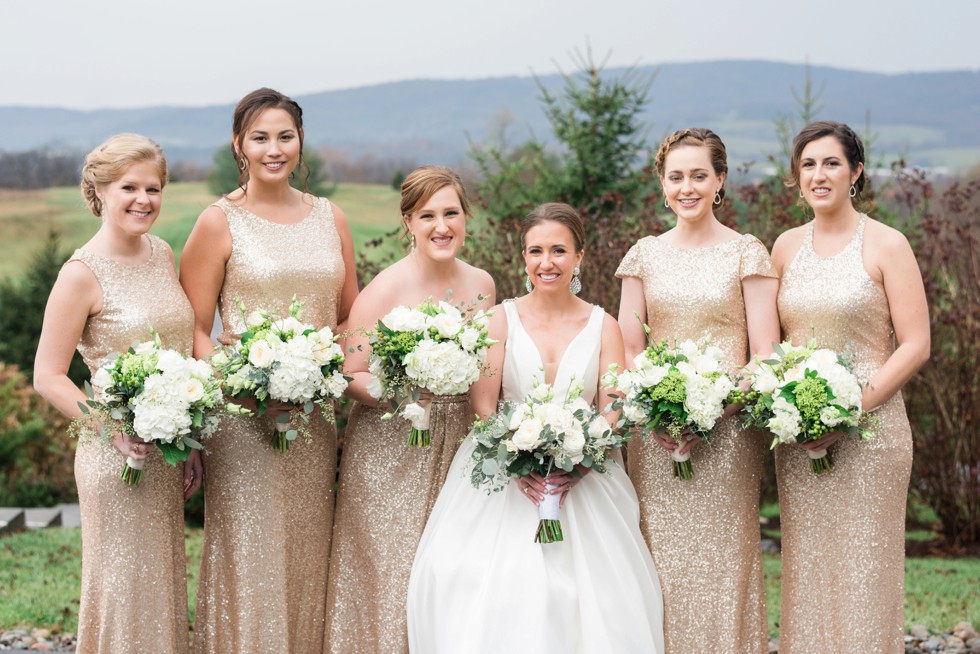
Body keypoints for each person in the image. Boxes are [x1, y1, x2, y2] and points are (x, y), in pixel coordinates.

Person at [408, 202, 664, 653]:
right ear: (523, 257)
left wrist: (578, 463)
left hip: (586, 479)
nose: (547, 263)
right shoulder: (499, 319)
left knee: (597, 601)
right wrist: (518, 461)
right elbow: (484, 406)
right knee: (479, 589)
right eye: (536, 251)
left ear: (579, 257)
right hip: (503, 478)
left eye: (559, 250)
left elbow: (612, 408)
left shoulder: (604, 326)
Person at [178, 88, 358, 654]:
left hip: (313, 418)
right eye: (260, 137)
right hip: (242, 423)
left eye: (285, 136)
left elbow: (352, 318)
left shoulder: (332, 217)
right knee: (250, 553)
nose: (274, 148)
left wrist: (326, 375)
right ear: (239, 145)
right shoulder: (217, 221)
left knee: (308, 549)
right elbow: (194, 330)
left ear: (301, 143)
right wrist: (242, 386)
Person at [33, 133, 197, 653]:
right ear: (100, 190)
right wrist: (112, 428)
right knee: (124, 587)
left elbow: (178, 352)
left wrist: (189, 444)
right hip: (115, 459)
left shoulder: (162, 253)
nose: (143, 200)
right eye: (129, 187)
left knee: (161, 584)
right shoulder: (81, 274)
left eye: (153, 188)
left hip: (166, 453)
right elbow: (48, 375)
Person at [616, 128, 778, 651]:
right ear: (662, 184)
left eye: (699, 176)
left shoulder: (746, 253)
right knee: (657, 558)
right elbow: (627, 350)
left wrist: (711, 407)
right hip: (655, 439)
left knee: (723, 561)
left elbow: (766, 354)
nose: (687, 187)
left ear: (720, 180)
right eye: (676, 176)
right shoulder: (644, 255)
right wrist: (660, 412)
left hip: (727, 436)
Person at [770, 120, 929, 652]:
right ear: (796, 177)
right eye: (809, 164)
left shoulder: (887, 243)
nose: (819, 174)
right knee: (809, 573)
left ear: (856, 172)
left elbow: (915, 344)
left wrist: (851, 411)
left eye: (831, 163)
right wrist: (790, 409)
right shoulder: (785, 248)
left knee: (864, 576)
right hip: (800, 439)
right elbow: (772, 344)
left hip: (871, 436)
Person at [324, 165, 494, 653]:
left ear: (466, 217)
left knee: (453, 571)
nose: (442, 227)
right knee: (392, 570)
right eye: (428, 216)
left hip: (459, 444)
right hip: (390, 449)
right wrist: (401, 396)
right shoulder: (386, 289)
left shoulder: (483, 284)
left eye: (451, 213)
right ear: (409, 223)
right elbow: (349, 373)